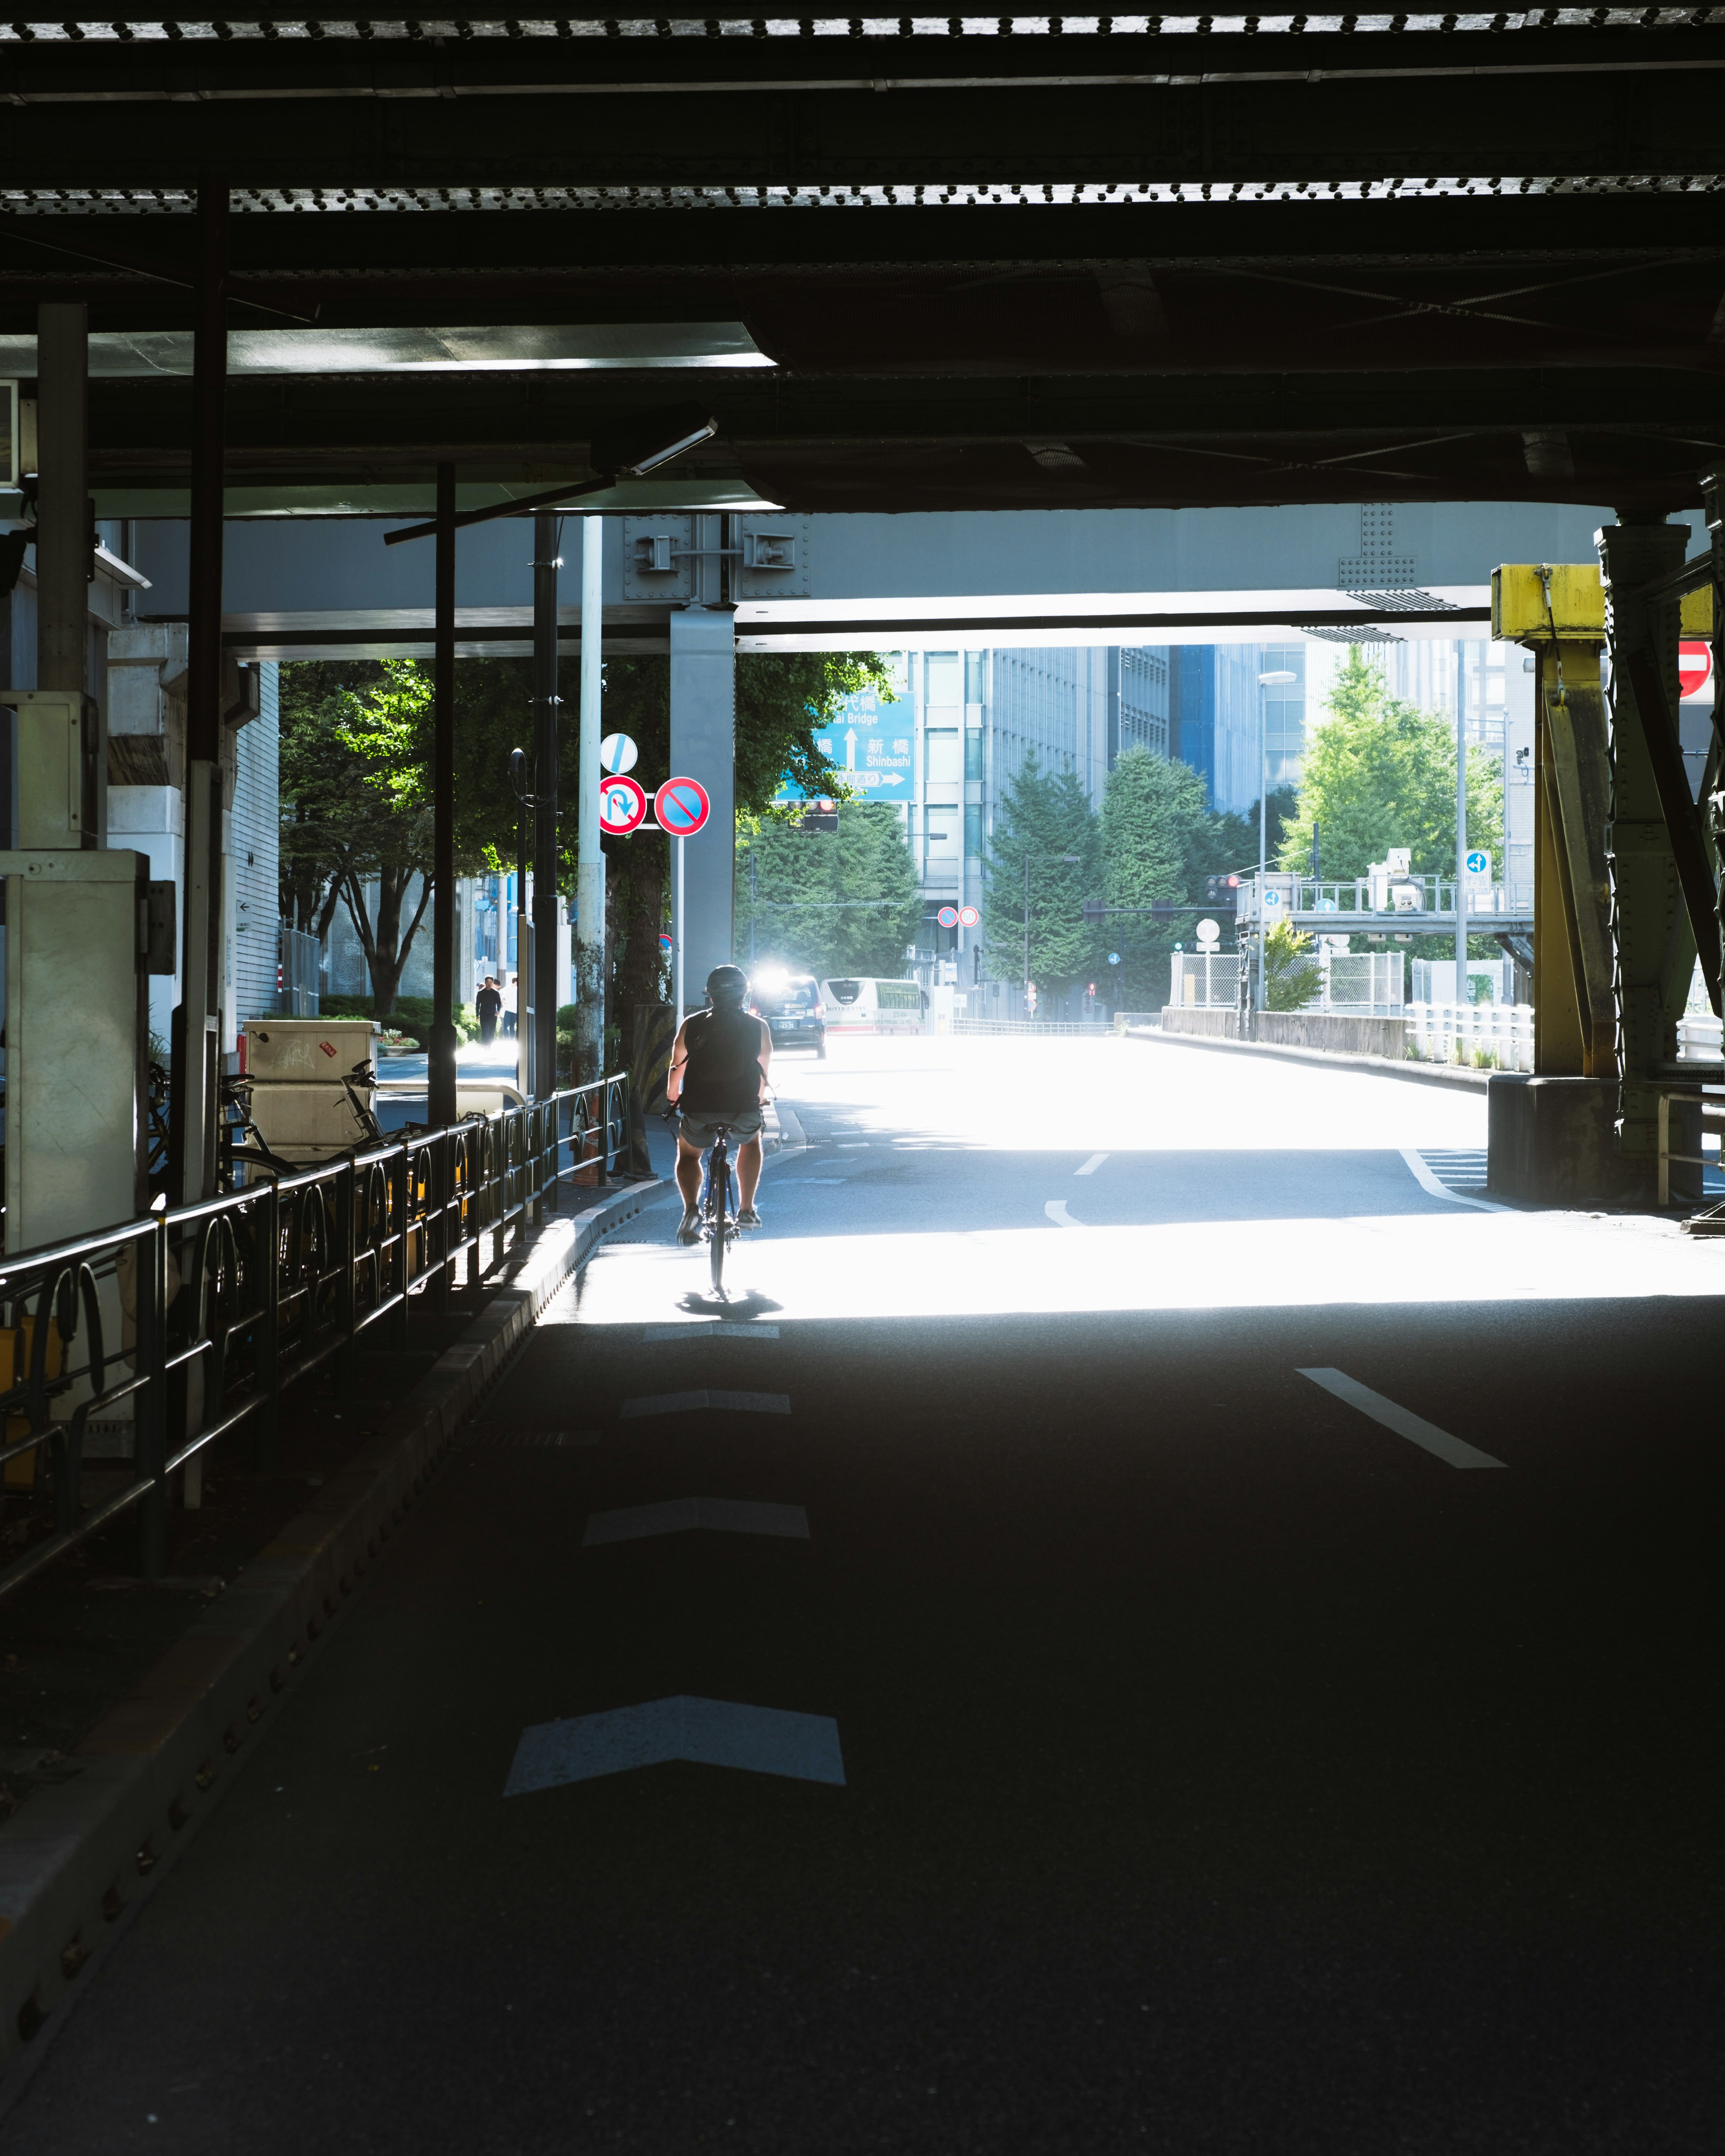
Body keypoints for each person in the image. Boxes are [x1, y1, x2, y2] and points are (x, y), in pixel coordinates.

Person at [665, 964, 772, 1245]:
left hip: (699, 1106)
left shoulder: (692, 1023)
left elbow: (677, 1065)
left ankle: (691, 1209)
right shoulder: (758, 1027)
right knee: (751, 1142)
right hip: (742, 1107)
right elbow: (763, 1070)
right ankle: (746, 1210)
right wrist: (759, 1099)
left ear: (710, 995)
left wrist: (673, 1094)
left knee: (689, 1155)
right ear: (744, 995)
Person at [475, 974, 501, 1047]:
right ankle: (485, 1045)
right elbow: (478, 1005)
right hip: (484, 1014)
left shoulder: (496, 993)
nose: (489, 984)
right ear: (485, 982)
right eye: (487, 982)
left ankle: (489, 1045)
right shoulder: (481, 993)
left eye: (491, 982)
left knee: (492, 1031)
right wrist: (477, 1015)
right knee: (485, 1030)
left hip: (493, 1015)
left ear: (493, 983)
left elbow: (499, 1003)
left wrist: (498, 1011)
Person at [501, 972, 518, 1039]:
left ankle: (512, 1039)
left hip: (515, 1010)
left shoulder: (517, 989)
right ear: (516, 982)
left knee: (512, 1025)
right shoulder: (508, 988)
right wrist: (503, 1002)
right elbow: (500, 993)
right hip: (508, 1010)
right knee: (506, 1026)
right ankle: (507, 1039)